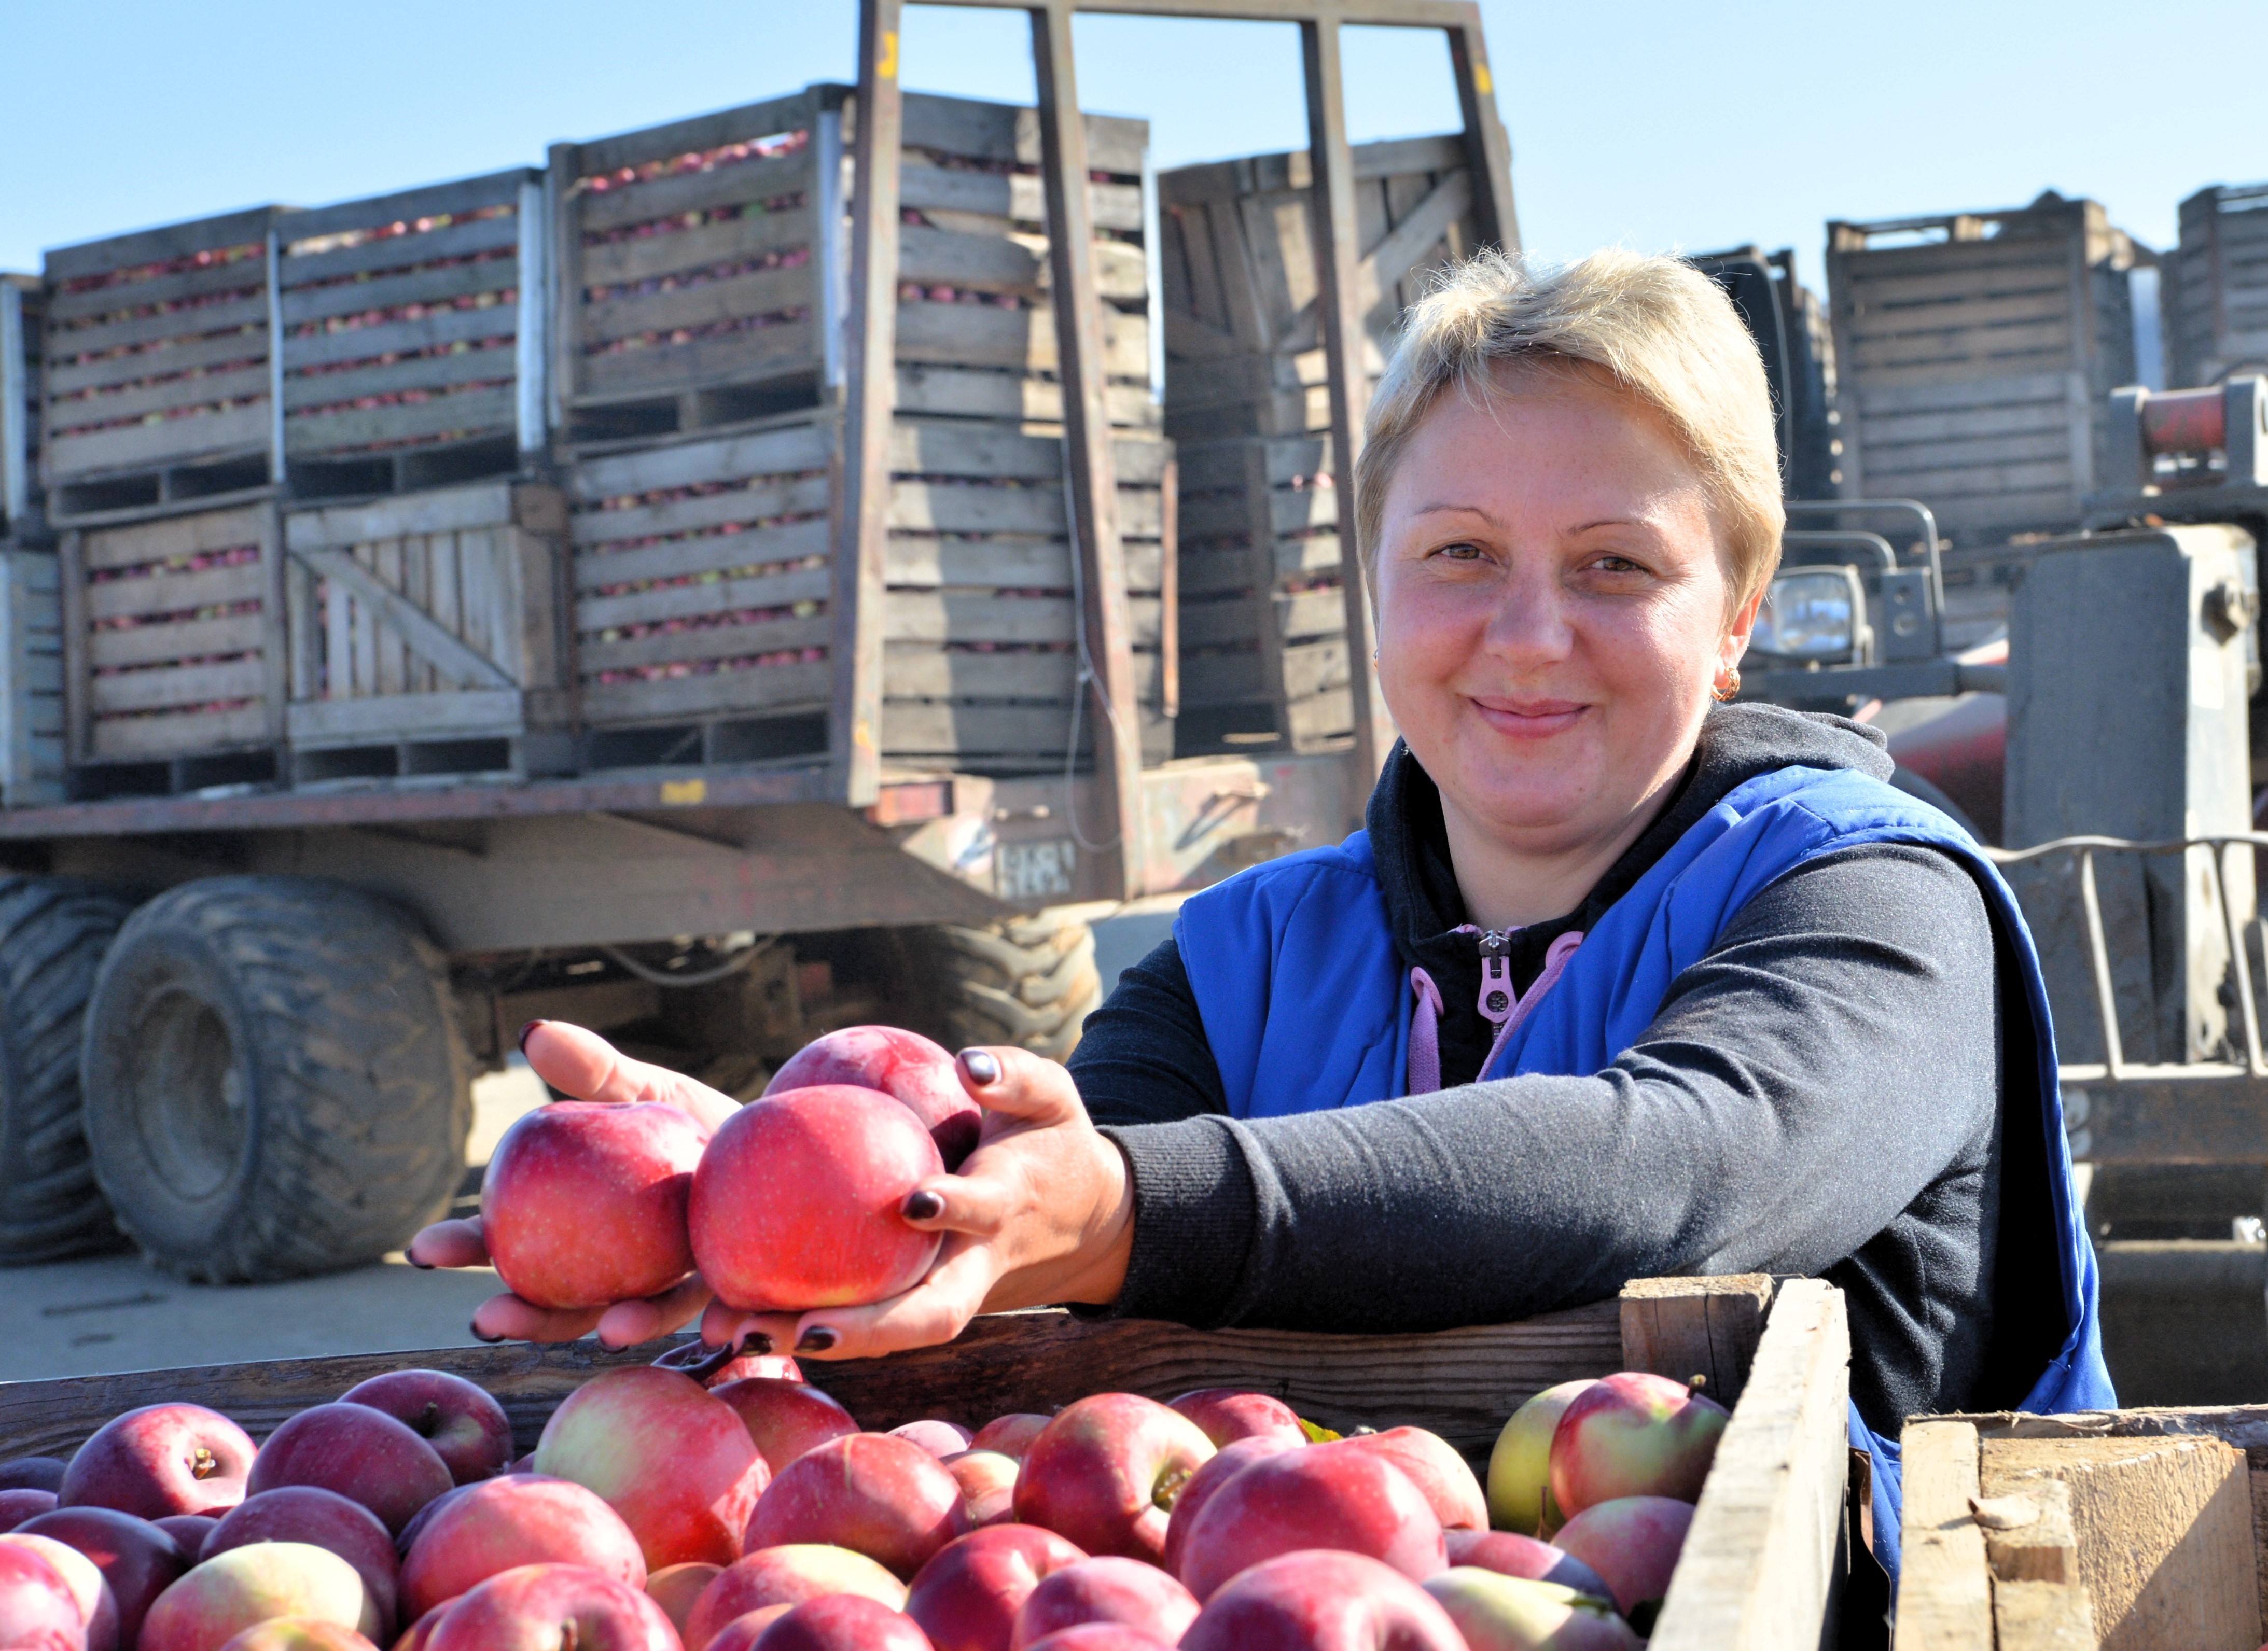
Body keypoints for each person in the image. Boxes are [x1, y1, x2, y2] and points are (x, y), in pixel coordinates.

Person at [412, 247, 2108, 1578]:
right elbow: (1036, 1209)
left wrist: (1128, 1213)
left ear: (1734, 616)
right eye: (1457, 555)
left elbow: (1684, 1163)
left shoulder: (1872, 898)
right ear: (1368, 583)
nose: (1527, 634)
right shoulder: (1241, 956)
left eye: (1615, 566)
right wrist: (763, 1209)